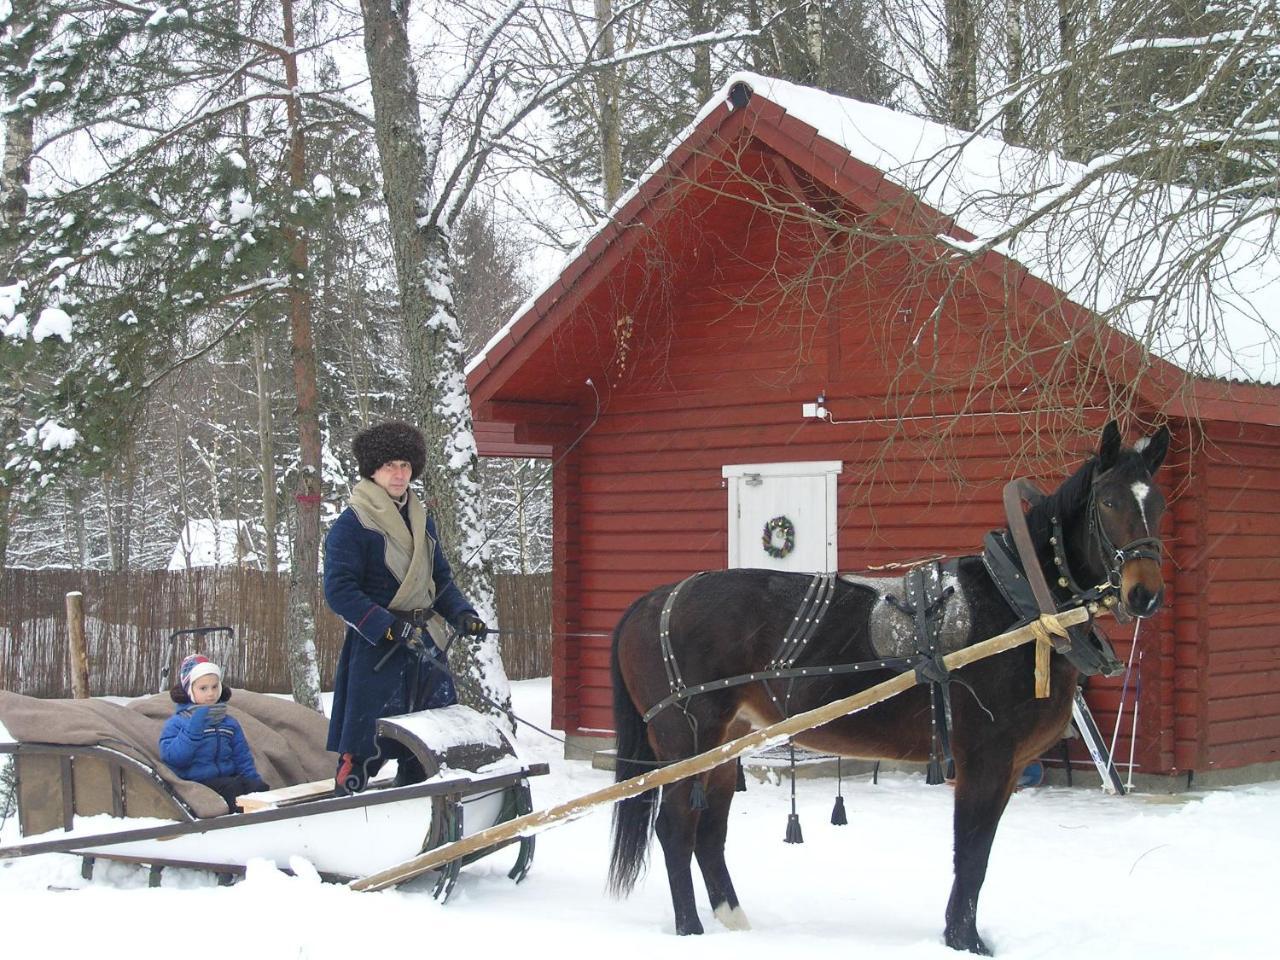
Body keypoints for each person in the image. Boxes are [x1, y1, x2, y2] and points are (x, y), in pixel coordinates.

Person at [324, 420, 487, 793]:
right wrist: (384, 625)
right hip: (378, 649)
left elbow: (439, 580)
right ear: (373, 471)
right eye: (389, 466)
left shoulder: (421, 519)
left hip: (424, 644)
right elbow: (339, 589)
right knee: (365, 748)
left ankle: (426, 802)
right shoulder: (352, 525)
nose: (399, 475)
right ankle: (348, 806)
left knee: (433, 738)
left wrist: (462, 614)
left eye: (405, 466)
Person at [159, 654, 269, 813]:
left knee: (258, 788)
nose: (210, 694)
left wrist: (253, 782)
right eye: (203, 688)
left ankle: (269, 823)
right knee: (233, 789)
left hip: (228, 778)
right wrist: (193, 731)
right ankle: (238, 828)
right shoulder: (178, 722)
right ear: (190, 690)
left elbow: (242, 757)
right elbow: (173, 758)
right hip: (196, 782)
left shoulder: (228, 723)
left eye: (214, 687)